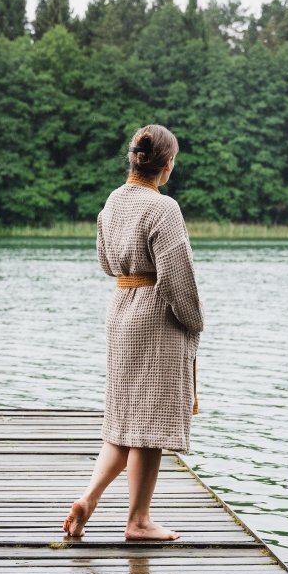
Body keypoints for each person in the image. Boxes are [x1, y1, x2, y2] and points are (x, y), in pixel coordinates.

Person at [62, 123, 205, 541]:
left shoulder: (113, 201)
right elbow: (178, 278)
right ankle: (138, 521)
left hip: (121, 310)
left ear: (134, 159)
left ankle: (89, 497)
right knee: (149, 427)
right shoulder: (164, 209)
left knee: (122, 422)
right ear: (168, 166)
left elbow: (107, 262)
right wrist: (195, 320)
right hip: (155, 318)